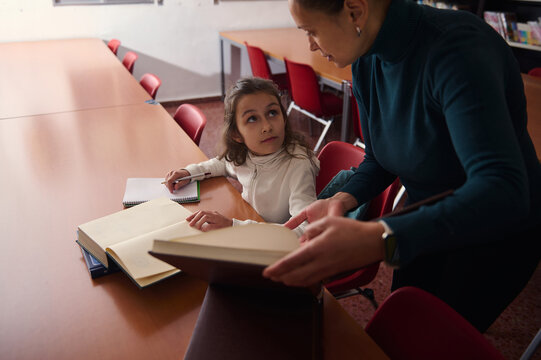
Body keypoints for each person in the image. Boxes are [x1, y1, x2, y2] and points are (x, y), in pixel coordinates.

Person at [263, 0, 541, 332]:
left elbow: (501, 191)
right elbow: (380, 159)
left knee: (438, 339)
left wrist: (376, 239)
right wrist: (340, 200)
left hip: (494, 229)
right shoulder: (366, 57)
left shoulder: (457, 50)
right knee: (401, 327)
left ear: (354, 11)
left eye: (311, 31)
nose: (310, 44)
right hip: (423, 211)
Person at [164, 77, 319, 235]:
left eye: (272, 113)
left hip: (274, 244)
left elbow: (305, 230)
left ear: (284, 119)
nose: (267, 126)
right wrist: (189, 173)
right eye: (252, 119)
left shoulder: (298, 166)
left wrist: (234, 226)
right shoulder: (246, 153)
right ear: (236, 134)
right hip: (252, 226)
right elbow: (223, 164)